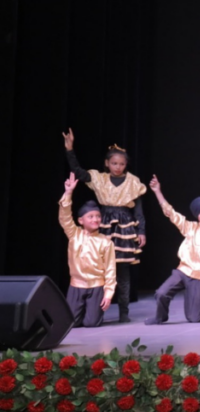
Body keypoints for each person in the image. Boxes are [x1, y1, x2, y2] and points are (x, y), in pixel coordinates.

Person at [62, 129, 146, 323]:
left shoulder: (133, 182)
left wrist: (141, 231)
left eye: (122, 164)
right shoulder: (99, 178)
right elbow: (79, 172)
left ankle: (124, 311)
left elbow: (138, 210)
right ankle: (91, 306)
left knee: (122, 272)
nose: (118, 167)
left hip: (125, 226)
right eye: (114, 163)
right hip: (104, 222)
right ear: (107, 163)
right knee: (99, 265)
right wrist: (69, 149)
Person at [146, 175, 200, 325]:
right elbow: (171, 213)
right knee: (161, 293)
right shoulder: (190, 227)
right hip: (183, 271)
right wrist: (157, 191)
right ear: (197, 214)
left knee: (194, 318)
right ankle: (160, 317)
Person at [58, 172, 116, 328]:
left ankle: (91, 311)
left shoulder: (105, 242)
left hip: (96, 286)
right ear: (81, 220)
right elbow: (64, 217)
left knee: (91, 323)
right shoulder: (74, 234)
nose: (95, 219)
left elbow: (110, 270)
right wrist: (68, 192)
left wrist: (108, 294)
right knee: (71, 324)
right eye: (91, 216)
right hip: (76, 285)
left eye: (98, 216)